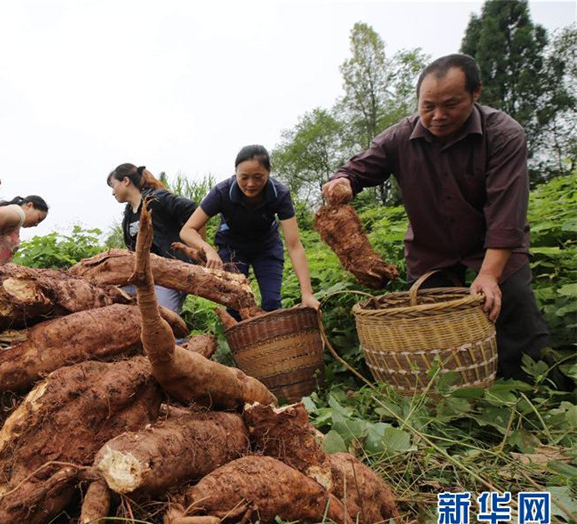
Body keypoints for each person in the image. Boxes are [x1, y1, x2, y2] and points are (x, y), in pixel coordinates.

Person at [322, 53, 563, 386]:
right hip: (431, 249)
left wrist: (490, 274)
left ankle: (533, 393)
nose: (437, 116)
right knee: (427, 328)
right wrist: (343, 181)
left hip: (491, 248)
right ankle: (446, 397)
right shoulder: (398, 138)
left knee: (513, 314)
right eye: (428, 106)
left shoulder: (504, 134)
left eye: (450, 105)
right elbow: (358, 168)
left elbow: (507, 214)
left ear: (475, 94)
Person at [180, 145, 320, 313]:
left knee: (272, 303)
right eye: (244, 177)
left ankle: (274, 338)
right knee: (235, 304)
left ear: (269, 171)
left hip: (266, 247)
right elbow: (187, 230)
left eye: (258, 177)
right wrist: (208, 250)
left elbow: (294, 245)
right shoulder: (222, 192)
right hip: (232, 248)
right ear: (236, 173)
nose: (250, 184)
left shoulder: (280, 194)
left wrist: (307, 293)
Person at [108, 163, 199, 314]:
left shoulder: (157, 199)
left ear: (125, 181)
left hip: (171, 274)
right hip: (145, 278)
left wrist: (196, 248)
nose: (112, 192)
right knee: (112, 297)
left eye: (113, 185)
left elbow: (193, 209)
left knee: (164, 322)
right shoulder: (128, 216)